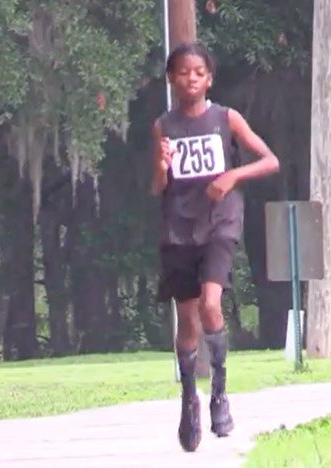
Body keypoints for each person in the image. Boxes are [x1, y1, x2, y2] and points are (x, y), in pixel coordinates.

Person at [151, 42, 279, 452]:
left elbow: (270, 160)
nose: (191, 78)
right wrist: (161, 167)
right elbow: (158, 187)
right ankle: (190, 397)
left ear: (209, 79)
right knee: (188, 322)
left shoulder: (226, 118)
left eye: (199, 72)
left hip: (220, 224)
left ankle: (220, 394)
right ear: (171, 78)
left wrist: (232, 176)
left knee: (211, 304)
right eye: (183, 72)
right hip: (179, 230)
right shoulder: (163, 126)